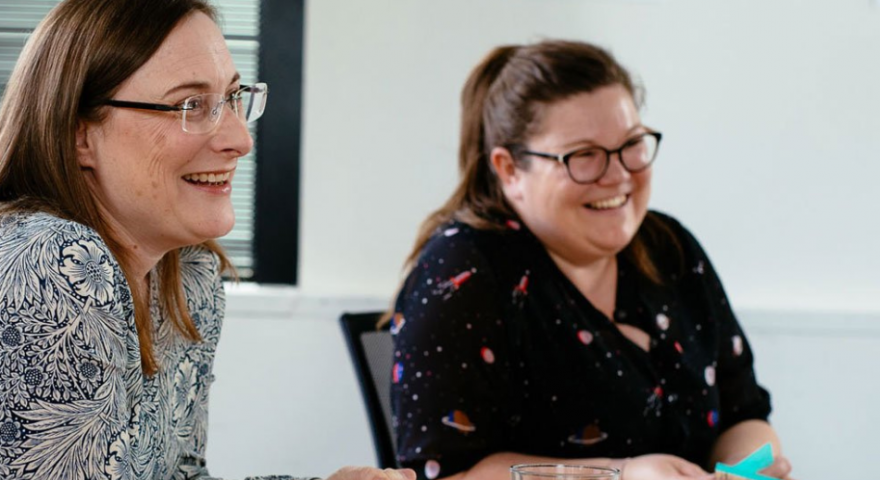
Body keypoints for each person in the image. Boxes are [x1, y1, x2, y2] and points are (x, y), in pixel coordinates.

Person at [0, 1, 415, 480]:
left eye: (234, 98)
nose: (240, 139)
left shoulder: (188, 276)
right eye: (190, 105)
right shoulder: (50, 263)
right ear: (80, 134)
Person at [388, 40, 794, 480]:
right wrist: (619, 476)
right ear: (509, 170)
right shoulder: (462, 273)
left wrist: (745, 470)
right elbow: (448, 474)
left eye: (632, 145)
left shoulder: (670, 248)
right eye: (584, 156)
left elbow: (745, 413)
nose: (618, 174)